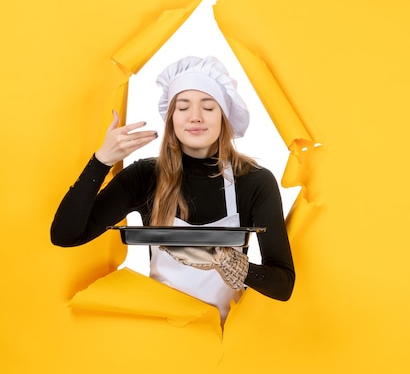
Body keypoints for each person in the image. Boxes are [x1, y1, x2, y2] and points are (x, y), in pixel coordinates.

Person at [51, 55, 295, 323]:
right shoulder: (145, 177)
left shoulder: (254, 181)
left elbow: (283, 285)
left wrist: (238, 267)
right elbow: (66, 235)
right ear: (171, 118)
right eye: (183, 107)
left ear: (224, 117)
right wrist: (101, 162)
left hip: (224, 345)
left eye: (209, 107)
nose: (195, 117)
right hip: (162, 342)